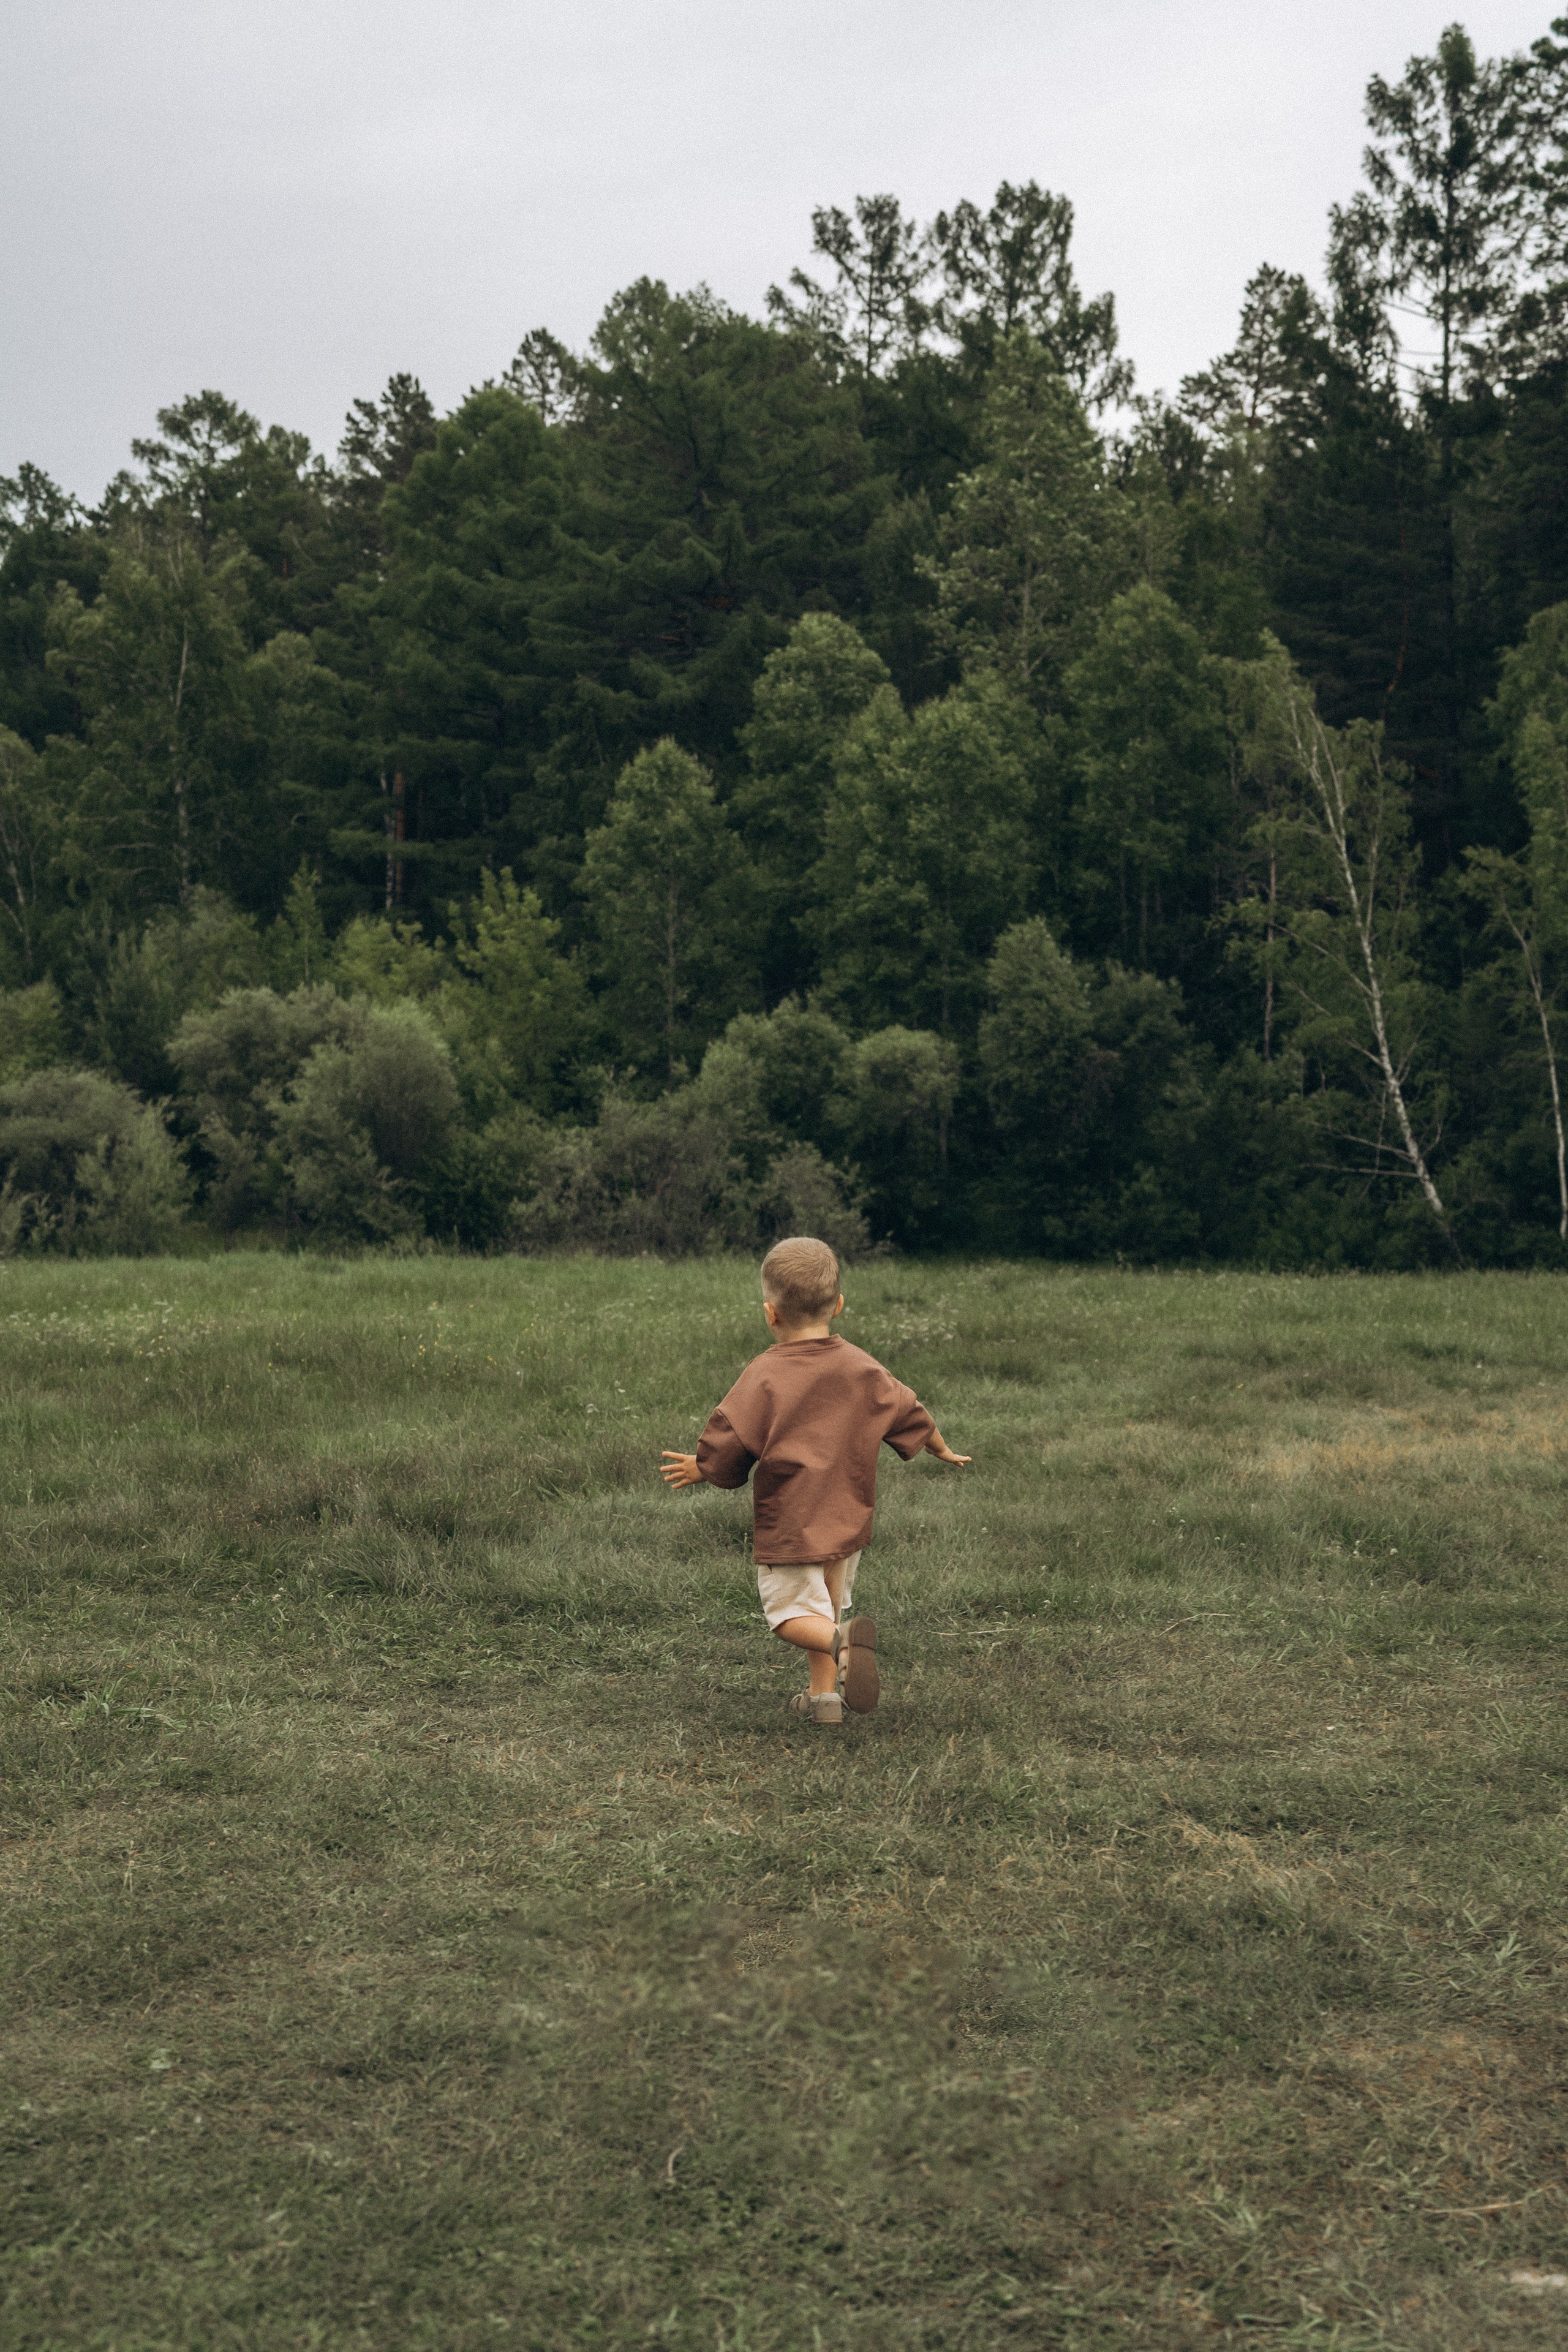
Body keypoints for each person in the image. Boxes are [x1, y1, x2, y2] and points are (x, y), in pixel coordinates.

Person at [660, 1235, 970, 1725]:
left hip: (794, 1520)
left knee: (790, 1615)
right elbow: (909, 1411)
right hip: (847, 1514)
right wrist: (941, 1448)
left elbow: (730, 1437)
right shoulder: (861, 1367)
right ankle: (824, 1701)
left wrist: (704, 1467)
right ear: (839, 1305)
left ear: (771, 1313)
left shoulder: (764, 1374)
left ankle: (840, 1642)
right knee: (824, 1603)